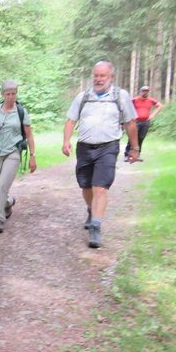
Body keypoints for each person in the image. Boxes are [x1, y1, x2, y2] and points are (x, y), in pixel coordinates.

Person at [62, 61, 139, 249]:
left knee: (100, 188)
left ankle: (95, 226)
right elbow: (71, 120)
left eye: (102, 75)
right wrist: (66, 141)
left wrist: (135, 148)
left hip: (108, 147)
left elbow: (130, 123)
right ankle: (91, 209)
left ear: (110, 77)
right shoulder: (83, 96)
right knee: (86, 187)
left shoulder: (120, 96)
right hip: (84, 147)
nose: (98, 79)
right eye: (95, 75)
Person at [0, 80, 37, 234]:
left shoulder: (21, 112)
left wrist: (33, 156)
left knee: (3, 186)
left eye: (13, 93)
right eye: (8, 94)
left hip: (13, 152)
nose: (11, 97)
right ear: (3, 94)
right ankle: (8, 202)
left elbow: (29, 135)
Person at [123, 85, 163, 161]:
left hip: (145, 122)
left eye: (147, 91)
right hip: (135, 122)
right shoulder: (134, 100)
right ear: (140, 92)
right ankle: (127, 154)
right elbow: (126, 106)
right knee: (132, 138)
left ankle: (137, 155)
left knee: (141, 138)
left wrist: (153, 115)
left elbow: (160, 106)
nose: (145, 93)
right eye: (143, 91)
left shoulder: (151, 100)